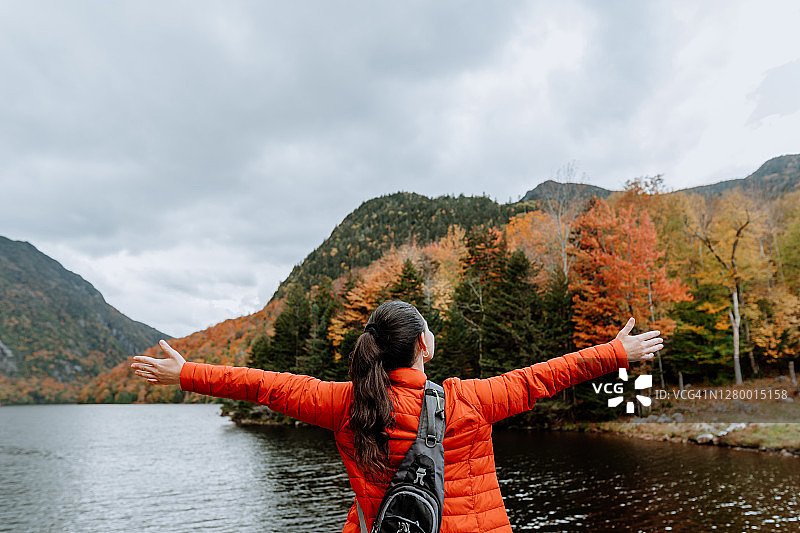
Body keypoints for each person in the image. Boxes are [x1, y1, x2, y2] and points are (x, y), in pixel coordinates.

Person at [130, 300, 663, 533]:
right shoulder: (469, 402)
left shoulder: (346, 404)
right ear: (424, 347)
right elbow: (544, 376)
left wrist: (186, 373)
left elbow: (267, 387)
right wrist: (615, 352)